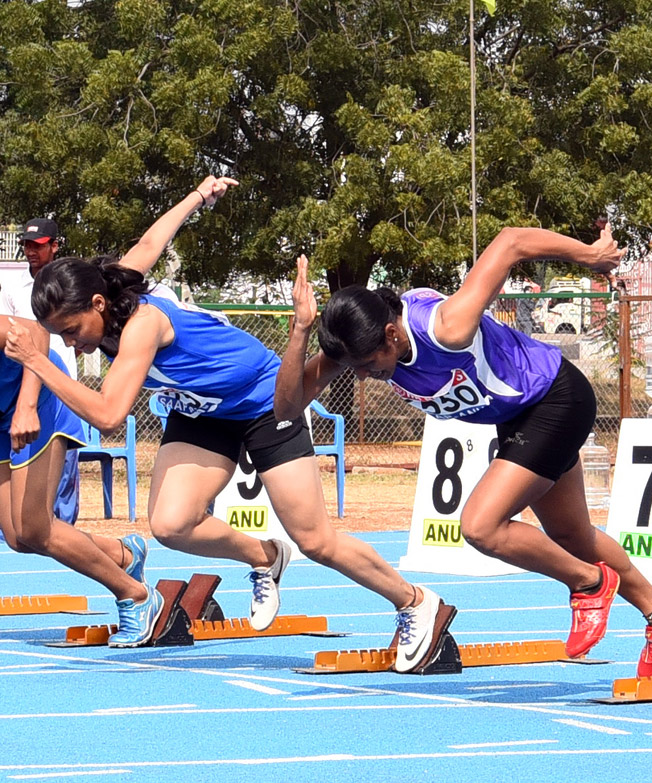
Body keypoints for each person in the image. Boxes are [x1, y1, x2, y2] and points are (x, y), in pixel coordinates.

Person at [6, 177, 444, 670]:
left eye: (70, 331)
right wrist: (196, 196)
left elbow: (109, 415)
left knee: (317, 541)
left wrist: (37, 364)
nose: (69, 345)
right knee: (171, 525)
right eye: (56, 338)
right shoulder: (106, 289)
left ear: (98, 306)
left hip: (262, 403)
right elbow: (153, 241)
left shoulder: (143, 326)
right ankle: (263, 557)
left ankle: (414, 601)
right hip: (202, 412)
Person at [275, 227, 652, 676]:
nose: (360, 376)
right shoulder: (360, 342)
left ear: (391, 335)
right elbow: (287, 407)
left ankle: (588, 584)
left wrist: (588, 256)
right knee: (573, 537)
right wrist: (300, 331)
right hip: (519, 416)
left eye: (368, 365)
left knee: (481, 526)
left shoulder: (446, 326)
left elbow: (511, 242)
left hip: (556, 397)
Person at [0, 316, 156, 646]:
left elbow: (35, 331)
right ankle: (123, 554)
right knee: (17, 536)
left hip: (37, 399)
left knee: (35, 529)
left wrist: (27, 406)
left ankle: (136, 595)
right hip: (1, 418)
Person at [0, 218, 80, 524]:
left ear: (55, 246)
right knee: (24, 523)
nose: (31, 251)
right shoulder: (12, 287)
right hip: (23, 386)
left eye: (39, 245)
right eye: (27, 245)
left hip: (59, 387)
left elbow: (42, 333)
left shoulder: (69, 280)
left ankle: (66, 531)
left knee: (63, 483)